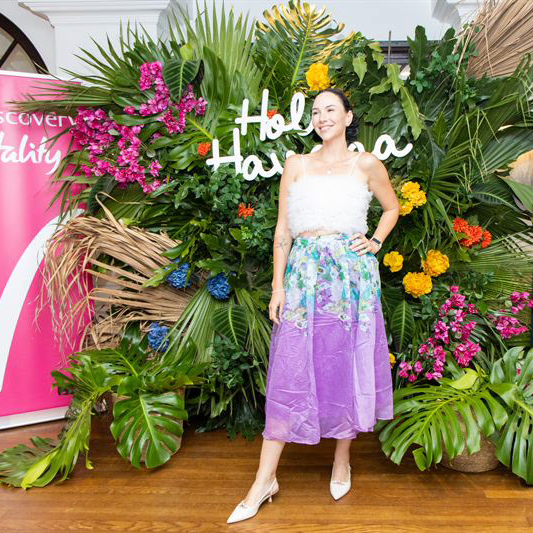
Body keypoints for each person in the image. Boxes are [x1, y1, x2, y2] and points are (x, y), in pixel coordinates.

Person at [227, 88, 400, 524]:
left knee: (346, 363)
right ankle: (264, 480)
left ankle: (342, 459)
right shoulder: (296, 164)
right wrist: (277, 287)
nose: (322, 117)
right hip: (303, 276)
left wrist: (375, 242)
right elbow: (282, 230)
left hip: (351, 278)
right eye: (317, 111)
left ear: (348, 116)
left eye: (331, 110)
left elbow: (391, 208)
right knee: (290, 367)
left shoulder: (366, 164)